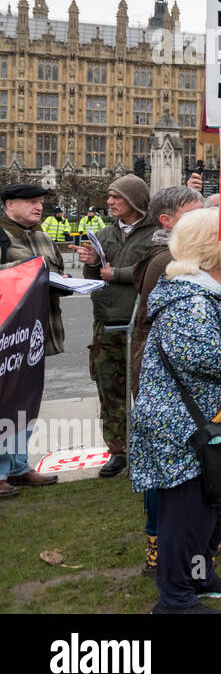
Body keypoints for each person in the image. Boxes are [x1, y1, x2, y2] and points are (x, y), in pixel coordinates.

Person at [129, 208, 221, 614]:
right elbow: (196, 353)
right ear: (209, 245)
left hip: (212, 421)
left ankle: (198, 575)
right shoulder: (188, 296)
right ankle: (174, 599)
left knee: (216, 504)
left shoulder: (220, 288)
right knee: (185, 513)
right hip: (180, 424)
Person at [127, 185, 205, 574]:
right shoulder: (165, 261)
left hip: (171, 377)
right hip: (163, 380)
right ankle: (157, 542)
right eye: (196, 211)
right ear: (167, 220)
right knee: (164, 467)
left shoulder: (179, 255)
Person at [76, 174, 158, 478]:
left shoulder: (154, 235)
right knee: (109, 390)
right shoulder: (105, 234)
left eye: (116, 197)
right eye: (109, 196)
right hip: (105, 321)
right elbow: (96, 274)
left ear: (134, 201)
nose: (109, 202)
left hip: (138, 324)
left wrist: (117, 273)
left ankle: (149, 447)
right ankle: (118, 451)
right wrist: (90, 261)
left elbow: (151, 267)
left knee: (144, 389)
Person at [0, 183, 68, 498]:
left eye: (40, 202)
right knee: (4, 402)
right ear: (9, 204)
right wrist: (30, 272)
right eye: (31, 201)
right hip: (8, 336)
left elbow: (56, 271)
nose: (38, 207)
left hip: (36, 333)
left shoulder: (41, 234)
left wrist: (65, 282)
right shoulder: (2, 236)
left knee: (27, 400)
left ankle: (19, 467)